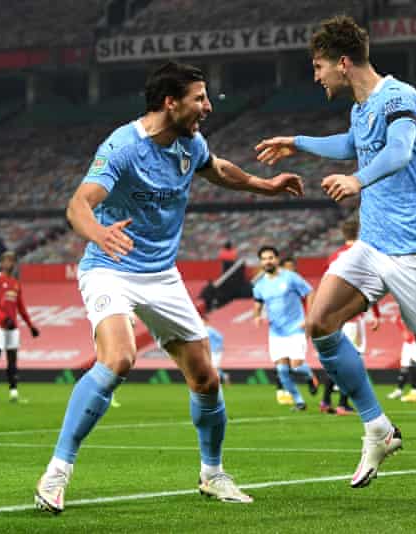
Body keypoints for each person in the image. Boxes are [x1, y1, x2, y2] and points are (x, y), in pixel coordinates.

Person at [34, 61, 303, 513]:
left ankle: (213, 475)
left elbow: (218, 169)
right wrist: (98, 234)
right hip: (110, 267)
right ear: (169, 102)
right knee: (119, 358)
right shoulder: (122, 146)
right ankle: (56, 474)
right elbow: (79, 203)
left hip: (162, 275)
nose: (208, 106)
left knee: (206, 379)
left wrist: (267, 186)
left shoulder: (190, 144)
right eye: (199, 98)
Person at [255, 16, 416, 503]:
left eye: (319, 66)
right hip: (372, 244)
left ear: (343, 62)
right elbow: (352, 145)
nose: (317, 75)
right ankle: (378, 428)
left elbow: (399, 151)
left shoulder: (399, 97)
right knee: (320, 322)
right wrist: (298, 142)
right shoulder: (361, 108)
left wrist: (356, 180)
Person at [321, 218, 380, 416]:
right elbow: (369, 284)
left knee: (337, 358)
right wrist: (376, 314)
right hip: (353, 317)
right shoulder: (363, 254)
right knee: (352, 360)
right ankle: (342, 404)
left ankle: (325, 400)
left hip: (335, 315)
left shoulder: (334, 256)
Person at [252, 246, 318, 411]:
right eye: (264, 258)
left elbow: (310, 292)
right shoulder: (259, 285)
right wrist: (257, 316)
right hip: (276, 332)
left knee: (295, 366)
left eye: (271, 257)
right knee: (282, 370)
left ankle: (310, 376)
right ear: (261, 262)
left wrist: (309, 316)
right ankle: (299, 402)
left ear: (277, 259)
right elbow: (258, 302)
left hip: (295, 327)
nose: (268, 261)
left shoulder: (290, 277)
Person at [0, 250, 39, 405]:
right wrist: (3, 318)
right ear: (2, 263)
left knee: (12, 359)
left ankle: (14, 393)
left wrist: (30, 326)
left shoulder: (15, 283)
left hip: (12, 327)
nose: (10, 263)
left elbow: (20, 307)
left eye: (13, 261)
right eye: (7, 260)